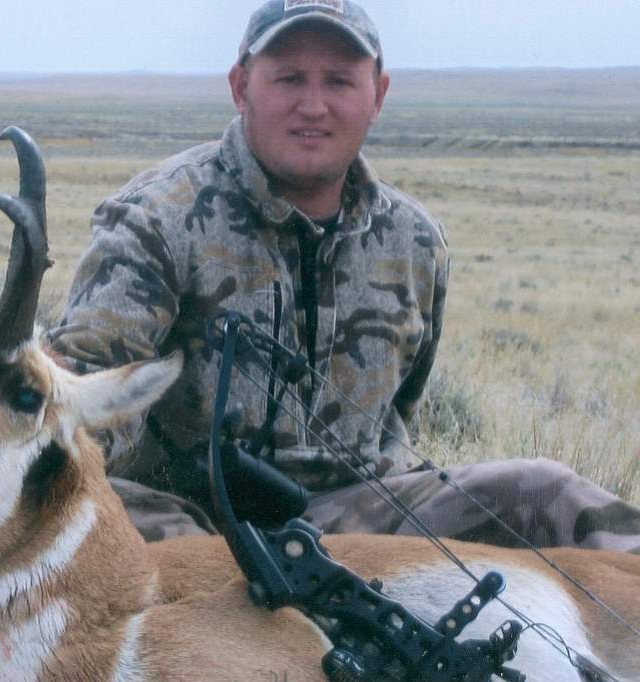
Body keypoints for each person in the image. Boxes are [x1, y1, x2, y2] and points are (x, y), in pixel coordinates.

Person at [48, 0, 640, 553]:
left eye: (338, 81)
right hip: (187, 524)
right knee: (82, 504)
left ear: (378, 95)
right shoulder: (156, 218)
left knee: (547, 490)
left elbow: (399, 414)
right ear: (240, 87)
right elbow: (82, 410)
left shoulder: (415, 241)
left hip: (356, 522)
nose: (313, 105)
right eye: (288, 78)